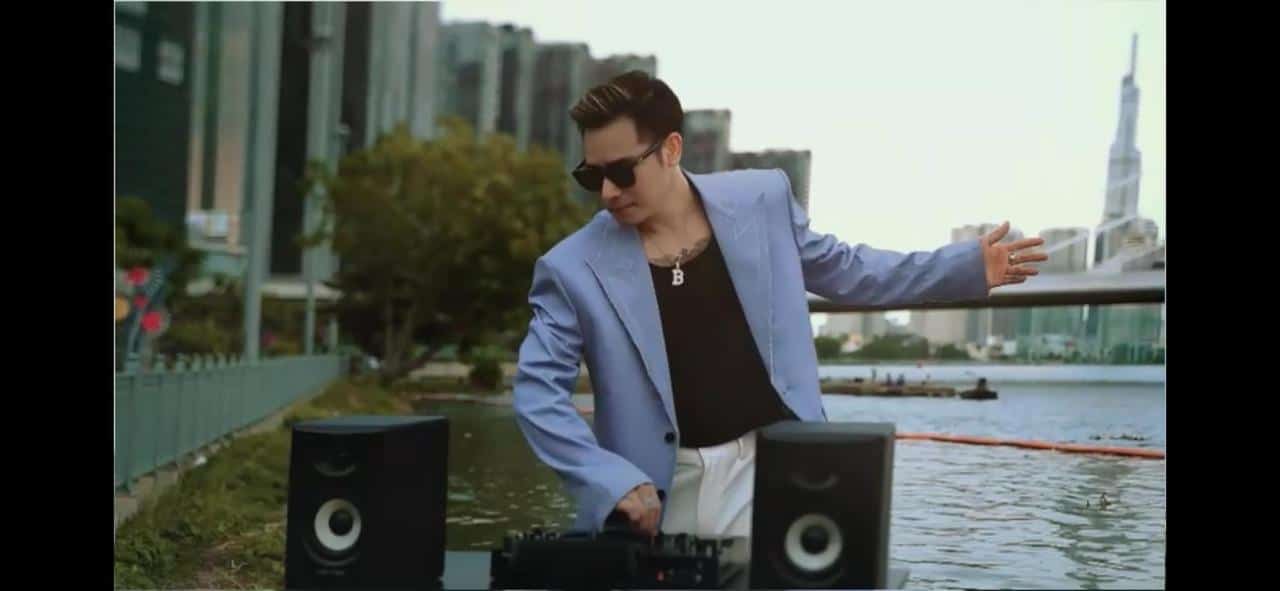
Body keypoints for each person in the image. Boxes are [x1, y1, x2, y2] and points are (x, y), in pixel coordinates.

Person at [511, 71, 1046, 538]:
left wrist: (965, 267)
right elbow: (537, 392)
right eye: (591, 176)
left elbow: (851, 272)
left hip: (775, 470)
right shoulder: (570, 267)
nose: (607, 191)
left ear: (671, 149)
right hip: (654, 494)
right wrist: (608, 478)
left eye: (622, 172)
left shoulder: (761, 200)